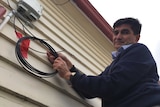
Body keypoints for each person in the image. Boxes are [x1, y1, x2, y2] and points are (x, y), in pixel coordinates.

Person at [47, 17, 160, 107]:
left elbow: (110, 86)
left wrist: (68, 75)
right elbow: (90, 92)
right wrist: (71, 68)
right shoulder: (114, 66)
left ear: (137, 37)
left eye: (125, 32)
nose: (118, 37)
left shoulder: (139, 50)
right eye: (116, 33)